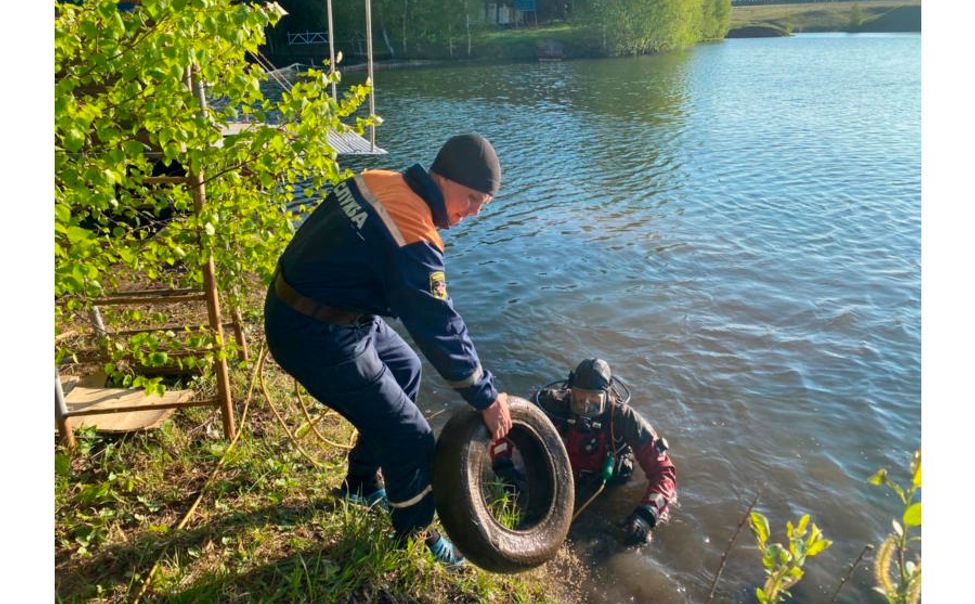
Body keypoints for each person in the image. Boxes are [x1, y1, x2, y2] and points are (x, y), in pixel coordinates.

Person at [264, 134, 513, 567]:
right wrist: (486, 396)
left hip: (322, 306)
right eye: (471, 198)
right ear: (443, 177)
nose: (472, 212)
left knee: (406, 368)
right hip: (312, 330)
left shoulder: (381, 179)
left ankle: (361, 484)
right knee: (412, 437)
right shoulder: (413, 231)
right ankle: (414, 535)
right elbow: (439, 325)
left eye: (483, 205)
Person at [491, 358, 677, 546]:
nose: (586, 408)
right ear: (570, 392)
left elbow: (664, 472)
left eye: (594, 402)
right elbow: (505, 424)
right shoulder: (551, 403)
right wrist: (503, 465)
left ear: (607, 396)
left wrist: (646, 515)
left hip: (603, 478)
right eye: (579, 399)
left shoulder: (624, 418)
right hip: (559, 469)